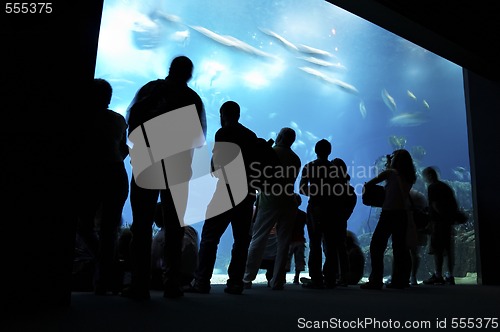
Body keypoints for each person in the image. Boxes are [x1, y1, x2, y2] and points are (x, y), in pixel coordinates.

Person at [123, 55, 206, 300]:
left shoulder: (150, 90)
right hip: (178, 171)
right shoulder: (193, 99)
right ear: (189, 74)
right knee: (174, 226)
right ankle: (172, 284)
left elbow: (132, 122)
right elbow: (198, 140)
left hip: (147, 166)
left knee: (141, 225)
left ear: (170, 69)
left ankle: (139, 284)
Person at [186, 101, 257, 295]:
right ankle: (235, 283)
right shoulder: (251, 136)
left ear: (222, 115)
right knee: (242, 241)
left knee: (210, 237)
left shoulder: (224, 133)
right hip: (247, 194)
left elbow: (218, 164)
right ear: (239, 114)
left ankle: (201, 282)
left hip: (225, 190)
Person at [77, 78, 129, 295]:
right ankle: (105, 278)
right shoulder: (118, 120)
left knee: (84, 225)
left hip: (93, 175)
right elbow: (124, 149)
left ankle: (106, 273)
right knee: (110, 230)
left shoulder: (83, 118)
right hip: (116, 174)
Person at [243, 127, 301, 291]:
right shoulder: (296, 159)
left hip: (270, 201)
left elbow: (260, 176)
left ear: (280, 137)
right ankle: (277, 281)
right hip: (289, 202)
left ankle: (247, 278)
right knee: (283, 243)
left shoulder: (270, 152)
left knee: (258, 238)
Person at [360, 149, 417, 290]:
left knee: (376, 246)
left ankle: (376, 279)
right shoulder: (410, 176)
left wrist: (388, 164)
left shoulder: (390, 173)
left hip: (389, 214)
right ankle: (400, 280)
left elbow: (370, 183)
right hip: (402, 214)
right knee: (400, 249)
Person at [299, 139, 340, 289]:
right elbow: (339, 190)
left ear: (316, 151)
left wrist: (316, 193)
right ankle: (330, 277)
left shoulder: (309, 167)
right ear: (329, 152)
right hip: (331, 208)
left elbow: (302, 188)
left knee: (315, 242)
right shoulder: (334, 169)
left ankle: (316, 278)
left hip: (315, 207)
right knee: (330, 242)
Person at [151, 202, 199, 290]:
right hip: (190, 277)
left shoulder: (160, 236)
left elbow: (154, 261)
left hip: (171, 276)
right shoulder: (192, 231)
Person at [422, 166, 457, 285]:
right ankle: (451, 275)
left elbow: (436, 205)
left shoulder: (432, 187)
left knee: (438, 250)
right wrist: (450, 219)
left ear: (430, 176)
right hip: (448, 222)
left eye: (425, 177)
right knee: (448, 249)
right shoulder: (445, 186)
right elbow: (453, 204)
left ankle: (438, 275)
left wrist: (435, 219)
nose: (424, 179)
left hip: (438, 223)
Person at [286, 197, 307, 285]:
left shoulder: (286, 214)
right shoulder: (303, 214)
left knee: (285, 259)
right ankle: (296, 277)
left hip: (288, 240)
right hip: (299, 240)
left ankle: (282, 277)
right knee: (299, 259)